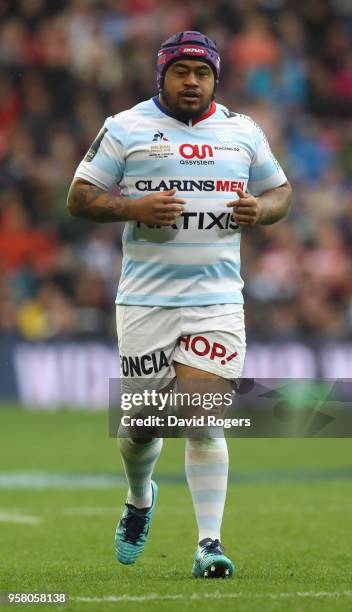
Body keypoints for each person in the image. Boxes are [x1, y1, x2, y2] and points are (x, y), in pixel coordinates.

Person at [67, 30, 292, 578]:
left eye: (203, 73)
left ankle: (209, 544)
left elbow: (280, 193)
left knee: (201, 415)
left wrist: (259, 212)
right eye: (181, 72)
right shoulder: (125, 127)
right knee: (142, 427)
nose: (192, 82)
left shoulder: (243, 132)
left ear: (216, 78)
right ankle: (140, 497)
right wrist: (132, 207)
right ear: (161, 76)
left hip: (216, 300)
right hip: (145, 301)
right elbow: (79, 198)